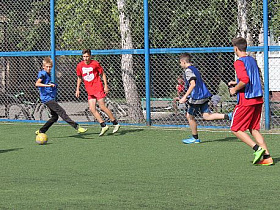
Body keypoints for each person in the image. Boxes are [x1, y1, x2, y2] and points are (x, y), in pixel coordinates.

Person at [228, 37, 273, 166]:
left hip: (246, 99)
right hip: (258, 98)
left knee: (235, 128)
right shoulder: (252, 60)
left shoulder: (239, 62)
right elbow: (250, 78)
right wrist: (236, 82)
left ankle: (257, 149)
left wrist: (234, 89)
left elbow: (245, 80)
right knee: (253, 128)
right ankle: (267, 157)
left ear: (236, 48)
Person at [178, 53, 230, 144]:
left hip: (196, 97)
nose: (180, 64)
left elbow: (193, 84)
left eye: (180, 62)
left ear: (183, 61)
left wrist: (184, 97)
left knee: (189, 116)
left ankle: (195, 138)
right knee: (206, 115)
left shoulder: (188, 71)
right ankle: (229, 116)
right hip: (204, 95)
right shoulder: (195, 69)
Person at [35, 57, 87, 135]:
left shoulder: (48, 74)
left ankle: (41, 131)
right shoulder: (43, 74)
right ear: (44, 67)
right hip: (47, 99)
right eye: (47, 66)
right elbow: (37, 83)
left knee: (55, 117)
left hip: (49, 98)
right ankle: (77, 127)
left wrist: (52, 85)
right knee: (62, 112)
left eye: (50, 67)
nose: (49, 68)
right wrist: (48, 85)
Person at [75, 49, 120, 136]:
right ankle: (103, 126)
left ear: (90, 56)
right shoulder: (80, 66)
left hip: (98, 88)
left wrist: (106, 86)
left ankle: (115, 123)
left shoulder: (95, 63)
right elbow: (79, 78)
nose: (85, 58)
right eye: (84, 56)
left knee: (102, 107)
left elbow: (102, 74)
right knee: (92, 109)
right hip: (89, 90)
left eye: (87, 56)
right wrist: (77, 89)